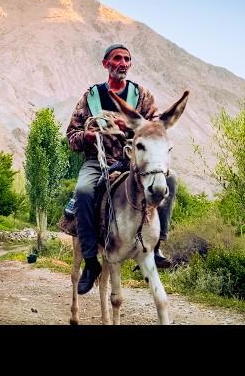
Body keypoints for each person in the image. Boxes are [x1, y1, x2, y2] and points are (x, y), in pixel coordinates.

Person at [66, 43, 176, 295]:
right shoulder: (90, 97)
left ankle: (157, 246)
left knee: (170, 180)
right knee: (83, 191)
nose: (123, 63)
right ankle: (92, 263)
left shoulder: (142, 96)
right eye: (117, 58)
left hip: (133, 162)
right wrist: (88, 136)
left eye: (127, 59)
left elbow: (155, 129)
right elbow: (71, 135)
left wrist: (127, 127)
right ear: (106, 64)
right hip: (98, 161)